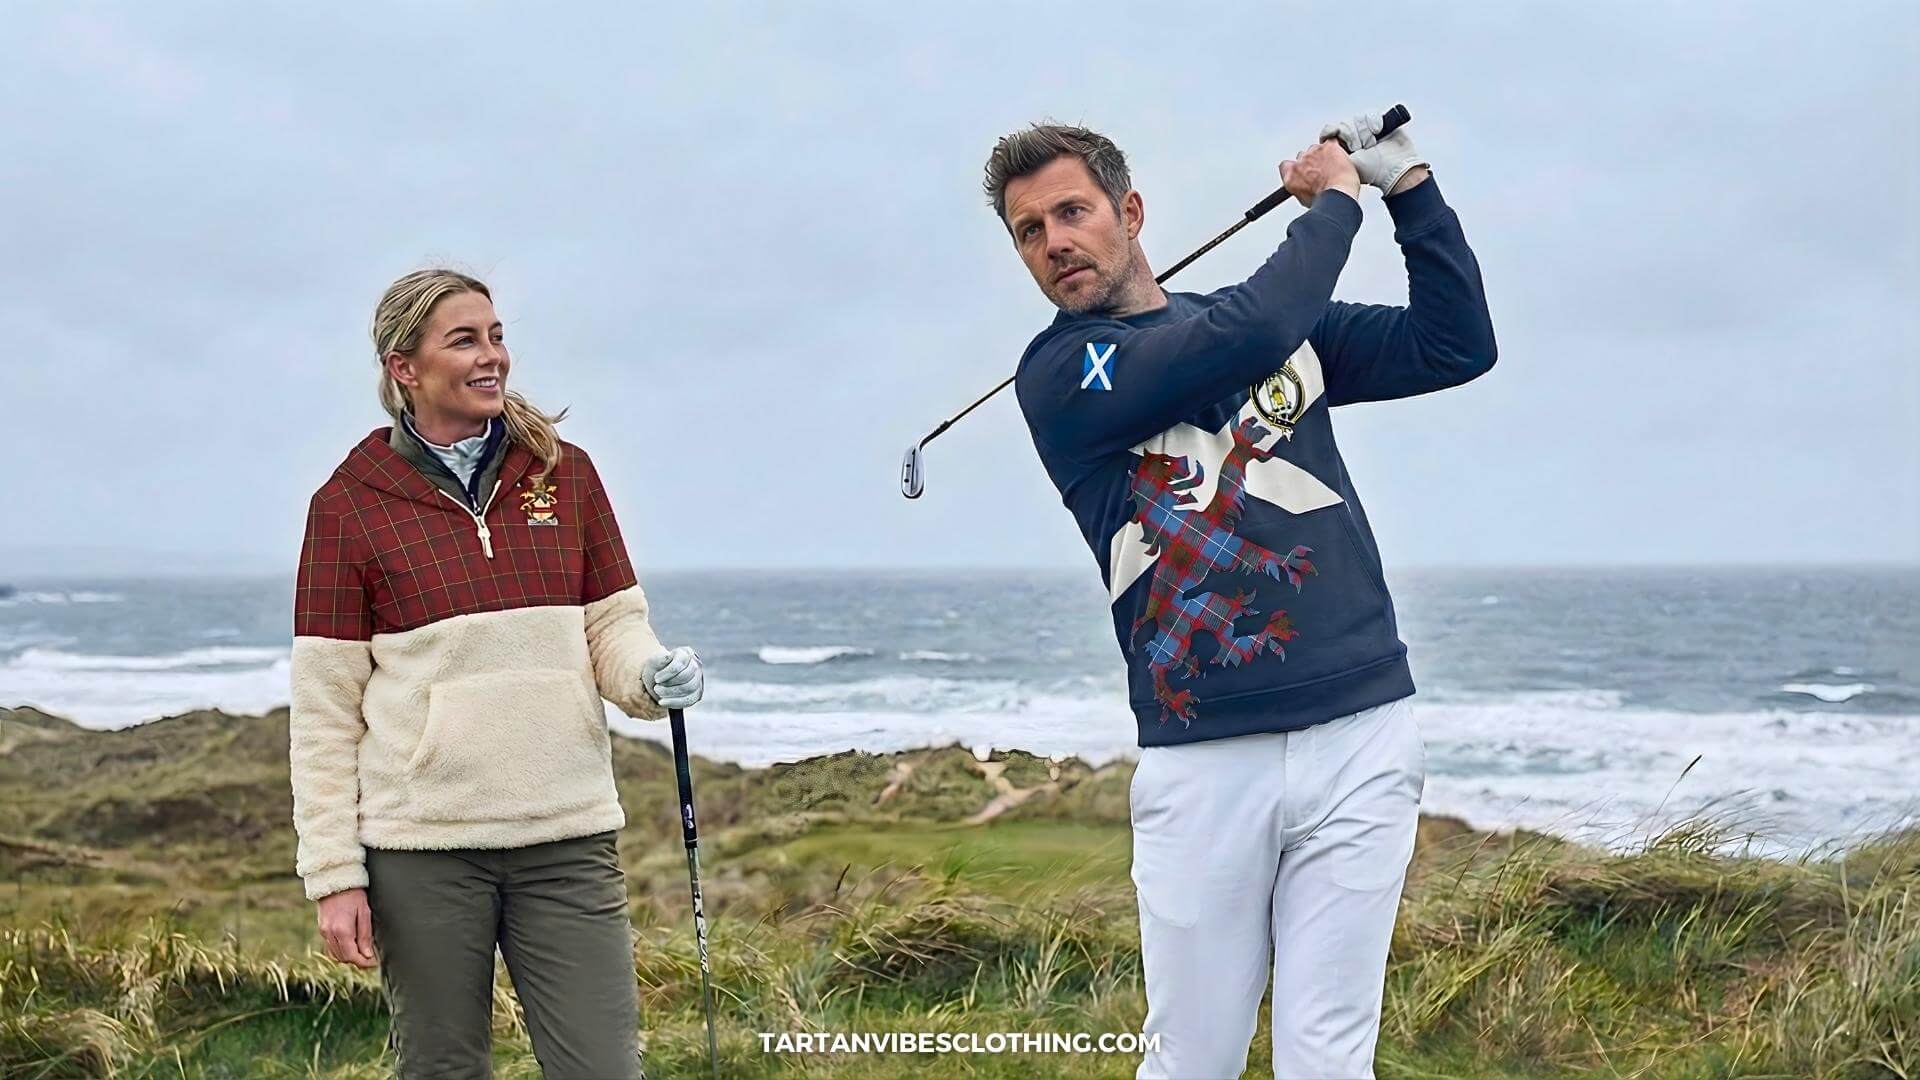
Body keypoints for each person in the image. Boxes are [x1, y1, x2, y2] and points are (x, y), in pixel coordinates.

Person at [985, 114, 1496, 1077]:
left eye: (1072, 212)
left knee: (1329, 1057)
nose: (1054, 242)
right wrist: (1334, 203)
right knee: (1195, 1060)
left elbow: (1455, 343)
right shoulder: (1062, 373)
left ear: (1130, 213)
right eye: (1029, 231)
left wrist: (1409, 189)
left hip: (1363, 729)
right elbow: (1248, 333)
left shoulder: (1268, 323)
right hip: (1205, 758)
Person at [289, 268, 704, 1077]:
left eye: (497, 336)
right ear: (404, 368)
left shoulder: (565, 473)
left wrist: (649, 677)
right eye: (465, 341)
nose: (492, 357)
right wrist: (334, 875)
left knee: (603, 1069)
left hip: (567, 834)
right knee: (443, 1070)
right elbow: (325, 710)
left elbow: (611, 626)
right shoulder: (346, 507)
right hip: (423, 851)